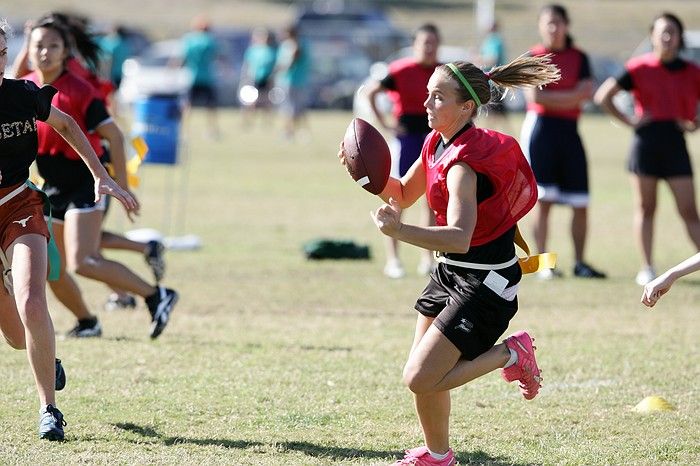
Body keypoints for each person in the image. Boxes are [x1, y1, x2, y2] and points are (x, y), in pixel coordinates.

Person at [339, 55, 560, 465]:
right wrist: (365, 175)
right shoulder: (434, 142)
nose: (425, 104)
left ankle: (511, 353)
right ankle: (439, 456)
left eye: (437, 97)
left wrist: (400, 232)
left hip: (484, 284)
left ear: (466, 108)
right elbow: (403, 194)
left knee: (419, 378)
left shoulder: (463, 165)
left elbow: (459, 238)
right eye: (427, 95)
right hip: (450, 274)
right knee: (427, 375)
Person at [0, 19, 137, 440]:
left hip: (20, 206)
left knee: (32, 301)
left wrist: (101, 174)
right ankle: (47, 355)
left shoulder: (21, 95)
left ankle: (49, 411)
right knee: (17, 338)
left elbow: (66, 125)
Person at [23, 17, 178, 339]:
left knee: (84, 262)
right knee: (52, 268)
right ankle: (87, 322)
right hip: (52, 185)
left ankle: (155, 295)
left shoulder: (79, 90)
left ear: (66, 52)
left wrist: (121, 186)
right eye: (39, 45)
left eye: (54, 46)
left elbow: (116, 137)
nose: (45, 52)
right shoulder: (24, 87)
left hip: (88, 181)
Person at [594, 12, 700, 286]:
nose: (667, 37)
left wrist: (694, 123)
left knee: (689, 211)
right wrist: (630, 121)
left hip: (676, 144)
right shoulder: (639, 67)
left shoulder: (692, 71)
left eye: (672, 32)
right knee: (645, 208)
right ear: (652, 36)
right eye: (662, 32)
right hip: (646, 145)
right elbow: (603, 95)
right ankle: (647, 268)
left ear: (679, 37)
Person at [520, 4, 606, 280]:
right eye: (548, 23)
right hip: (541, 132)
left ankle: (580, 263)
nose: (554, 28)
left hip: (570, 131)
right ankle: (544, 264)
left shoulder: (580, 57)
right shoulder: (533, 57)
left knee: (580, 201)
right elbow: (535, 99)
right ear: (540, 26)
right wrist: (571, 96)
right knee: (544, 200)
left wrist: (559, 97)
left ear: (567, 25)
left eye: (558, 22)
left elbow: (586, 93)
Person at [366, 23, 441, 278]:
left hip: (434, 140)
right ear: (415, 45)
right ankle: (394, 259)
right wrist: (386, 124)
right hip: (407, 139)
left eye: (433, 42)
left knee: (432, 200)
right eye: (424, 43)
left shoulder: (441, 73)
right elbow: (371, 93)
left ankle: (428, 259)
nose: (429, 48)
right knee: (397, 198)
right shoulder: (400, 69)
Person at [181, 14, 220, 138]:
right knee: (210, 106)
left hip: (192, 76)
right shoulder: (210, 40)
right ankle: (211, 130)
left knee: (188, 105)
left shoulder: (189, 40)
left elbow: (183, 57)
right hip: (207, 76)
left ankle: (184, 130)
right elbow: (216, 56)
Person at [275, 24, 311, 140]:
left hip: (295, 81)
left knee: (294, 108)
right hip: (284, 81)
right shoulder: (284, 46)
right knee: (288, 108)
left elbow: (291, 62)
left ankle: (295, 131)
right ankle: (290, 131)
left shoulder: (298, 45)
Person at [477, 21, 511, 133]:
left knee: (493, 111)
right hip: (490, 82)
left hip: (495, 82)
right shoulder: (488, 41)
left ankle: (491, 134)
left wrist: (480, 60)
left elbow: (493, 59)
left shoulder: (495, 41)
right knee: (496, 112)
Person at [240, 27, 277, 124]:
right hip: (254, 78)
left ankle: (267, 121)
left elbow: (274, 65)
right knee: (251, 101)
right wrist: (246, 76)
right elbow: (247, 64)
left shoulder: (272, 51)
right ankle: (248, 120)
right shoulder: (253, 50)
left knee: (267, 101)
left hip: (267, 79)